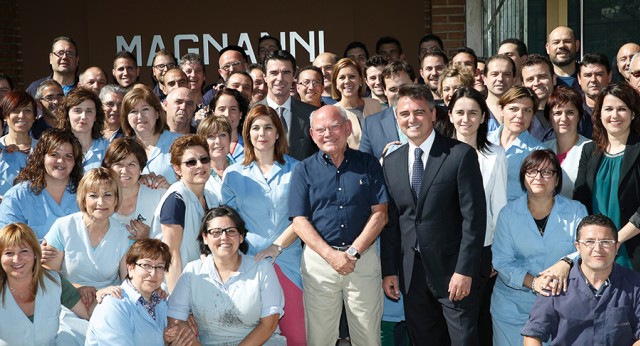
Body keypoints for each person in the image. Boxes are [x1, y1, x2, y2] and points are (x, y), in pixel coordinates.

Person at [381, 84, 486, 345]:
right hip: (411, 274)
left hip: (453, 272)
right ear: (397, 118)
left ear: (433, 115)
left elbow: (474, 220)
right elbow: (393, 222)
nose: (411, 119)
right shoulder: (391, 161)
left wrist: (465, 270)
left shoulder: (460, 155)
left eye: (419, 112)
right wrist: (390, 270)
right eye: (404, 114)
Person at [290, 105, 388, 345]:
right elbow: (299, 221)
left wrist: (352, 252)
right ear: (312, 135)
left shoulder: (368, 164)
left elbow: (380, 214)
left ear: (348, 128)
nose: (328, 134)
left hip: (362, 260)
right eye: (321, 129)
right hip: (319, 263)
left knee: (368, 336)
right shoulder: (303, 170)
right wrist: (331, 255)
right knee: (320, 338)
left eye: (334, 126)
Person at [222, 104, 304, 345]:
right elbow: (229, 223)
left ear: (278, 133)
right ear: (247, 134)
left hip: (288, 263)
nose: (262, 133)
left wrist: (277, 247)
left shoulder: (297, 169)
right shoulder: (233, 174)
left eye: (268, 127)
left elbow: (301, 217)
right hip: (249, 266)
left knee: (297, 337)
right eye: (255, 128)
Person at [491, 149, 587, 345]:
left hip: (561, 304)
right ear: (523, 178)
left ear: (557, 179)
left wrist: (567, 262)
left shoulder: (576, 210)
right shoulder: (508, 214)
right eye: (532, 172)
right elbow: (502, 261)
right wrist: (534, 283)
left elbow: (586, 248)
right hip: (513, 306)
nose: (539, 177)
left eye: (547, 172)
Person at [168, 206, 286, 345]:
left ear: (241, 237)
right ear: (205, 237)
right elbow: (175, 320)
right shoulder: (192, 272)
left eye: (231, 231)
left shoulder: (262, 269)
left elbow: (269, 325)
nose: (224, 237)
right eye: (216, 232)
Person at [43, 167, 132, 345]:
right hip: (66, 303)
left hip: (106, 305)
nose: (101, 202)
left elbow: (128, 283)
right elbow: (48, 275)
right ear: (83, 198)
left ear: (116, 200)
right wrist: (77, 287)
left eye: (107, 195)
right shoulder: (63, 226)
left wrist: (102, 295)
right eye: (93, 195)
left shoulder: (124, 235)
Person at [448, 87, 508, 345]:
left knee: (474, 322)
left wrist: (497, 252)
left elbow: (500, 207)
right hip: (444, 250)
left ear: (484, 117)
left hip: (480, 251)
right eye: (459, 112)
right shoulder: (438, 153)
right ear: (449, 115)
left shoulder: (495, 155)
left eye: (473, 113)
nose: (466, 119)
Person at [522, 214, 640, 345]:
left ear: (617, 246)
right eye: (589, 242)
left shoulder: (635, 284)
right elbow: (532, 334)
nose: (597, 249)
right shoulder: (556, 284)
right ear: (577, 247)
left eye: (605, 242)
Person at [574, 82, 640, 269]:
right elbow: (580, 199)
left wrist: (613, 240)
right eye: (608, 109)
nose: (614, 115)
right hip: (594, 252)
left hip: (631, 250)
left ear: (633, 113)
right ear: (599, 113)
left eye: (622, 109)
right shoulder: (589, 150)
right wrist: (595, 243)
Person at [86, 238, 196, 345]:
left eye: (159, 267)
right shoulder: (113, 305)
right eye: (146, 265)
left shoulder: (160, 303)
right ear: (130, 268)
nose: (153, 273)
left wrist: (166, 340)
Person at [0, 223, 92, 345]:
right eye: (9, 253)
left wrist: (103, 295)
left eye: (24, 251)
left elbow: (88, 312)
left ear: (35, 254)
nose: (17, 259)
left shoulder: (54, 281)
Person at [151, 135, 218, 292]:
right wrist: (178, 306)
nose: (200, 166)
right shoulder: (175, 199)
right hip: (173, 290)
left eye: (204, 159)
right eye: (191, 162)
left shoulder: (212, 197)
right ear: (177, 168)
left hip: (199, 286)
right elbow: (171, 255)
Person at [0, 128, 82, 240]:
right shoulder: (17, 197)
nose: (61, 161)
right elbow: (7, 243)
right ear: (41, 157)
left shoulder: (86, 194)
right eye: (54, 155)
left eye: (68, 156)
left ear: (75, 161)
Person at [256, 50, 317, 161]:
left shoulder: (311, 114)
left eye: (286, 72)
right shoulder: (251, 112)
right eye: (274, 73)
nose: (280, 78)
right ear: (265, 77)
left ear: (294, 76)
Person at [102, 137, 167, 241]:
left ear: (141, 168)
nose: (124, 170)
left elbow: (174, 239)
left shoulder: (159, 195)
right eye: (118, 164)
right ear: (109, 167)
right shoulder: (99, 199)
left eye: (131, 164)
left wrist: (150, 237)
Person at [488, 86, 544, 202]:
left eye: (527, 110)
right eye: (513, 109)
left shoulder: (538, 151)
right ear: (501, 110)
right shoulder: (483, 141)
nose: (520, 115)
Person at [120, 85, 183, 184]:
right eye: (133, 111)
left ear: (157, 113)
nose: (140, 116)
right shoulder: (122, 149)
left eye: (145, 109)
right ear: (126, 118)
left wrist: (169, 189)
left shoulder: (180, 143)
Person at [359, 60, 416, 160]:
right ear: (385, 91)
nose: (399, 93)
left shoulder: (432, 116)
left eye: (404, 87)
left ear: (415, 83)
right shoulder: (371, 124)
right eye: (393, 89)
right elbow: (363, 165)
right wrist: (383, 160)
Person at [542, 86, 592, 198]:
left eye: (570, 112)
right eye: (557, 113)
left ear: (579, 116)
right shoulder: (542, 149)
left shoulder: (591, 149)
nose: (564, 118)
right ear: (549, 118)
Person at [331, 57, 382, 149]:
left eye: (352, 77)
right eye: (342, 78)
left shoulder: (375, 105)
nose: (347, 81)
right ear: (336, 83)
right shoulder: (333, 112)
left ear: (360, 80)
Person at [59, 87, 109, 171]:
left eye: (89, 111)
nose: (83, 116)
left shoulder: (108, 148)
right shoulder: (56, 146)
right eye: (77, 110)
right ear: (67, 115)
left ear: (96, 116)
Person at [0, 92, 32, 198]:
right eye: (15, 110)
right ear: (5, 115)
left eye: (27, 110)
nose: (22, 115)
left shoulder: (45, 148)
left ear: (35, 116)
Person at [521, 54, 558, 142]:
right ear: (522, 84)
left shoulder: (570, 112)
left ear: (554, 79)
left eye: (542, 77)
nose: (536, 83)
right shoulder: (518, 116)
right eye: (530, 79)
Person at [197, 115, 234, 200]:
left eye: (222, 135)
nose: (218, 141)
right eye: (211, 136)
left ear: (229, 139)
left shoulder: (243, 171)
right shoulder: (196, 174)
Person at [577, 53, 612, 138]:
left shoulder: (621, 105)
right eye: (587, 75)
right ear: (579, 79)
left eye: (599, 74)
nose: (593, 80)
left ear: (609, 76)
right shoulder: (572, 107)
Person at [209, 88, 248, 162]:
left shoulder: (251, 145)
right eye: (222, 109)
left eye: (233, 109)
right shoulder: (204, 145)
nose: (227, 114)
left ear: (240, 114)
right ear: (213, 113)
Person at [483, 54, 517, 130]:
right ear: (484, 78)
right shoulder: (475, 110)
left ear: (514, 79)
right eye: (494, 74)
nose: (500, 79)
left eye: (506, 74)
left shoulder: (522, 111)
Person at [545, 26, 580, 91]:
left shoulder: (589, 78)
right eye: (556, 42)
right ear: (547, 48)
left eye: (567, 41)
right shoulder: (541, 82)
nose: (561, 46)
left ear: (577, 45)